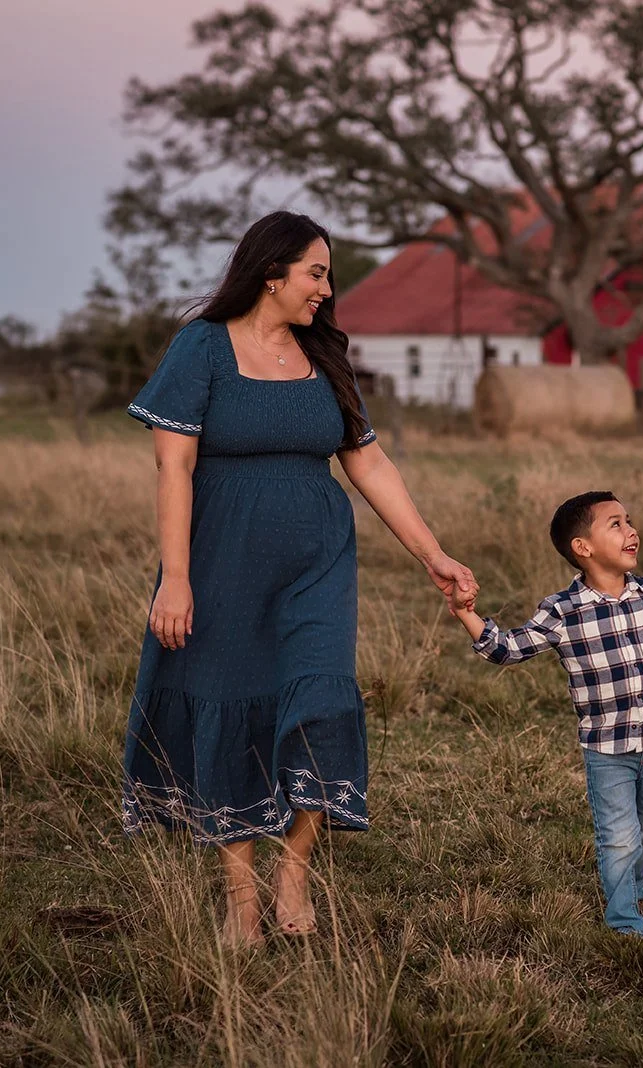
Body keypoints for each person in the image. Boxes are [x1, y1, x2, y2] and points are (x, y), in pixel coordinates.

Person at [121, 211, 478, 949]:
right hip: (220, 562)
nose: (326, 287)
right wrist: (176, 578)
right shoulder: (202, 350)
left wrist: (431, 553)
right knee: (235, 710)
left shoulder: (326, 358)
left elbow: (369, 463)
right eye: (316, 272)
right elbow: (173, 466)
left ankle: (295, 868)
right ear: (271, 272)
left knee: (319, 701)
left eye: (327, 274)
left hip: (317, 563)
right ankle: (241, 904)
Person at [451, 492, 643, 936]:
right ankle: (625, 924)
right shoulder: (562, 612)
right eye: (615, 524)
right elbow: (507, 649)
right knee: (619, 838)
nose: (631, 530)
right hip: (608, 750)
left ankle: (634, 886)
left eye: (629, 521)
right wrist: (467, 613)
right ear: (583, 548)